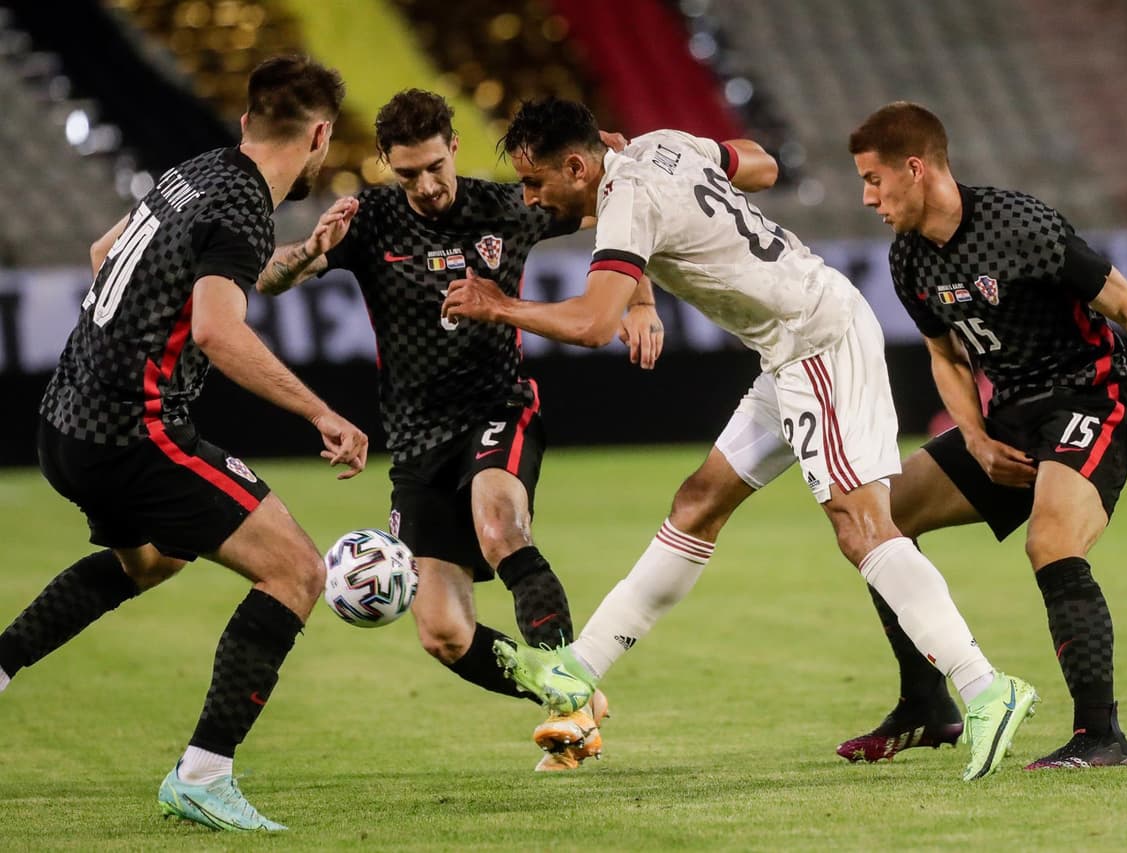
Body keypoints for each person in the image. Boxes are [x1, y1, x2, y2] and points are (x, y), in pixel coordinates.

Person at [442, 97, 1039, 782]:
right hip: (788, 349)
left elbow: (592, 323)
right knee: (699, 499)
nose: (530, 198)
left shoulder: (626, 197)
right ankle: (579, 669)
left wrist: (499, 304)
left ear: (578, 164)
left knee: (860, 526)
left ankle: (986, 685)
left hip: (818, 343)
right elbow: (758, 164)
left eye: (536, 182)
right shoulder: (660, 144)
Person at [833, 101, 1127, 769]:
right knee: (878, 517)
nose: (867, 197)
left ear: (916, 169)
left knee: (1051, 541)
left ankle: (1101, 734)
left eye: (873, 179)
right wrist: (977, 438)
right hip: (1009, 418)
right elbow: (946, 356)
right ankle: (927, 705)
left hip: (1090, 399)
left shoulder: (1018, 225)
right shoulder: (909, 260)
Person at [0, 56, 367, 831]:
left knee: (152, 558)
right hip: (136, 434)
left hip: (64, 419)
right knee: (297, 571)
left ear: (245, 123)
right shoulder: (242, 201)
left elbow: (109, 256)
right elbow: (215, 326)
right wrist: (320, 413)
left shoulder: (196, 173)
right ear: (322, 135)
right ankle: (204, 773)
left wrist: (298, 260)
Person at [255, 89, 663, 772]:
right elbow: (266, 282)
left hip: (497, 406)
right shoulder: (371, 220)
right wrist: (307, 252)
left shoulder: (509, 205)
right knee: (444, 632)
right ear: (385, 163)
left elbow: (617, 209)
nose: (427, 184)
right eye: (408, 172)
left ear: (455, 148)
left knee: (499, 526)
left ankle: (568, 698)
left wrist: (641, 299)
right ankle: (566, 693)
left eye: (435, 166)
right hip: (416, 442)